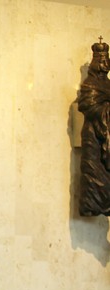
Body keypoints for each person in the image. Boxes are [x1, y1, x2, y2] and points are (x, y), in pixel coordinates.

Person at [77, 38, 110, 216]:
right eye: (101, 61)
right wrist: (106, 111)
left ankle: (105, 204)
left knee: (106, 176)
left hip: (106, 135)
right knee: (92, 169)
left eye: (106, 60)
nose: (104, 65)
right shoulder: (89, 84)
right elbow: (86, 104)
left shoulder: (109, 85)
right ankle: (91, 204)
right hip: (93, 136)